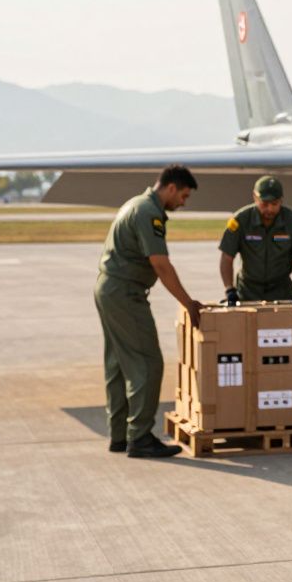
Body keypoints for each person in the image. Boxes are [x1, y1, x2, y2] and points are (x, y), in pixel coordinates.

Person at [95, 164, 203, 458]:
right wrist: (188, 302)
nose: (183, 202)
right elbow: (160, 264)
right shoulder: (149, 212)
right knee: (148, 363)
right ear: (170, 188)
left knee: (118, 364)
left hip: (110, 289)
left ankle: (120, 435)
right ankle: (140, 437)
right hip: (125, 293)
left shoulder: (135, 204)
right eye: (183, 195)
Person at [218, 175, 292, 304]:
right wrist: (230, 290)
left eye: (274, 204)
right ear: (255, 198)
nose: (270, 209)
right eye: (264, 204)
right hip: (248, 292)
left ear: (281, 201)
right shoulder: (239, 221)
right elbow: (227, 258)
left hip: (281, 292)